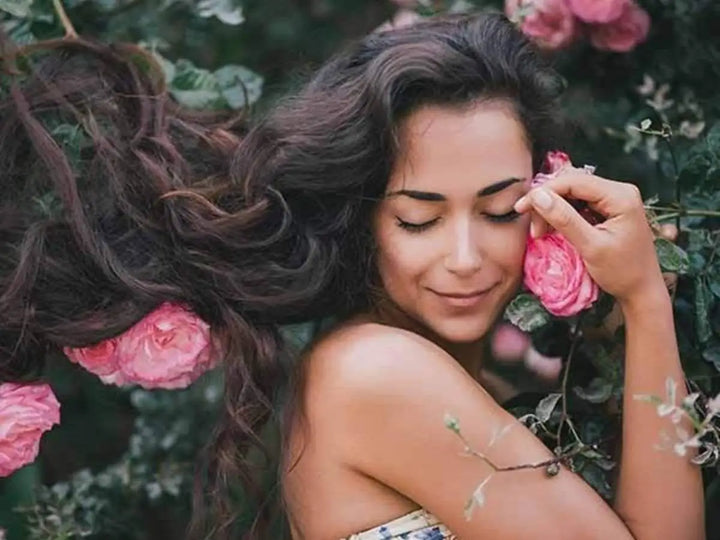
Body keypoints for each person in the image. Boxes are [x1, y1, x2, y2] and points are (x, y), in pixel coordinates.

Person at [0, 11, 705, 540]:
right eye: (418, 220)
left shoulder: (434, 371)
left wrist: (633, 305)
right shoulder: (375, 372)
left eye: (498, 211)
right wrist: (644, 296)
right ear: (362, 219)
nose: (465, 257)